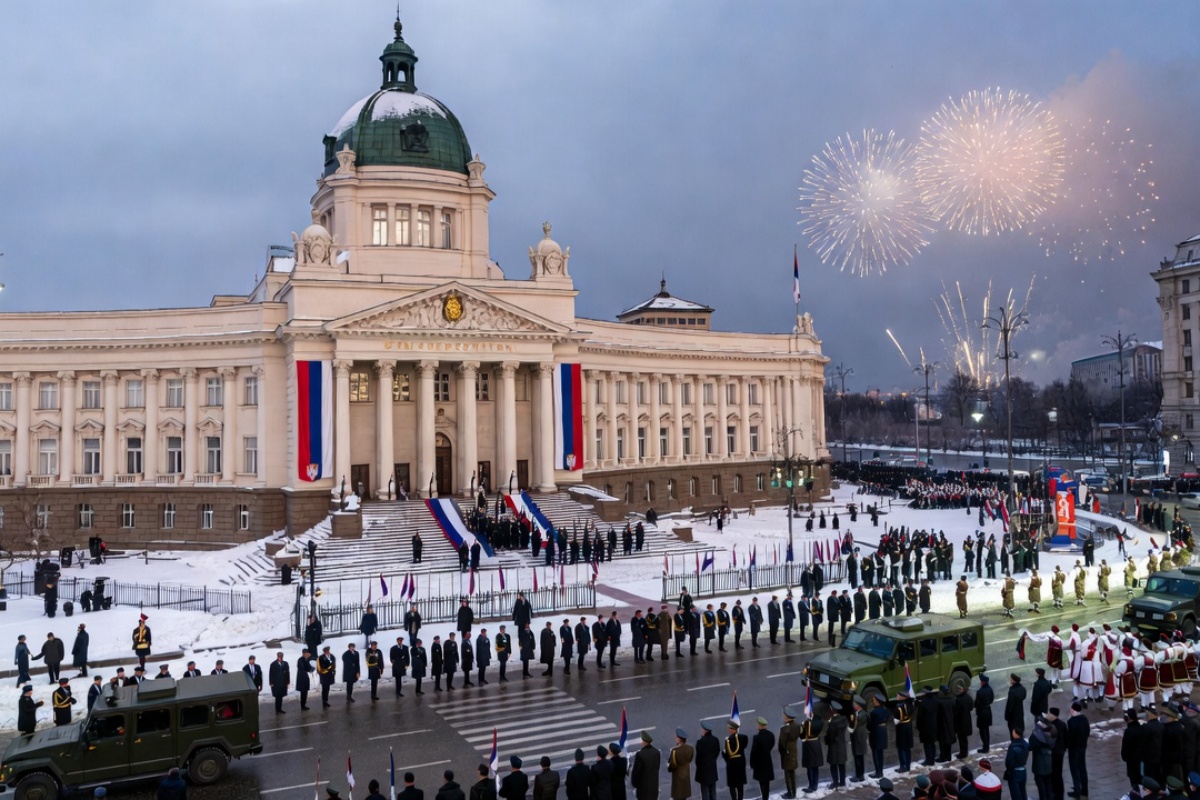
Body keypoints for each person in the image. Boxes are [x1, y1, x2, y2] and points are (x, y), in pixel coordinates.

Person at [1066, 702, 1089, 800]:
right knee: (1082, 768)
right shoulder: (1085, 720)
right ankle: (1085, 789)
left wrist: (1067, 745)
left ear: (1072, 710)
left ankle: (1077, 790)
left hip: (1074, 749)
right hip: (1082, 747)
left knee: (1074, 770)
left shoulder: (1071, 722)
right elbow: (1088, 732)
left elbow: (1070, 737)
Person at [1029, 718, 1057, 800]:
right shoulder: (1052, 733)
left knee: (1041, 785)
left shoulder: (1037, 736)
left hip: (1039, 764)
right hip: (1048, 762)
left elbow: (1030, 745)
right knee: (1048, 783)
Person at [800, 703, 825, 793]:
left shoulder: (808, 723)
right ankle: (815, 784)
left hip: (809, 745)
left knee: (810, 767)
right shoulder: (819, 720)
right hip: (816, 743)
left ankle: (812, 786)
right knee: (815, 767)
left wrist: (803, 726)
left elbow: (802, 736)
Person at [751, 716, 776, 800]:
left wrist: (752, 763)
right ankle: (766, 797)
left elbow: (754, 752)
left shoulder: (757, 737)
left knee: (762, 782)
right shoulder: (771, 735)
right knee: (767, 782)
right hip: (767, 761)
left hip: (759, 762)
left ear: (759, 725)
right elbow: (772, 744)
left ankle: (764, 797)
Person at [722, 719, 748, 800]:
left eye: (730, 728)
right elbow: (744, 745)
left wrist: (728, 760)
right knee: (740, 786)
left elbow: (726, 754)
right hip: (740, 763)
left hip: (731, 764)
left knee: (732, 786)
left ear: (732, 729)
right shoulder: (743, 738)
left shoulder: (728, 740)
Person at [631, 731, 661, 800]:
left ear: (644, 741)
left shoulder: (640, 754)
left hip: (642, 789)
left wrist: (635, 784)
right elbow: (657, 768)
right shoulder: (657, 753)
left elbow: (636, 772)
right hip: (654, 788)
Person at [693, 721, 719, 800]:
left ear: (705, 731)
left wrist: (699, 765)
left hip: (703, 771)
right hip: (712, 769)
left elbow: (698, 758)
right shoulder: (715, 740)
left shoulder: (700, 742)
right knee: (712, 791)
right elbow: (717, 752)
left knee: (705, 792)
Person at [779, 705, 801, 797]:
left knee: (787, 775)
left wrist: (782, 753)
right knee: (792, 774)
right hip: (793, 751)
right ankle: (794, 792)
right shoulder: (797, 726)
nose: (783, 717)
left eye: (785, 716)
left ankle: (790, 793)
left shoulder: (784, 729)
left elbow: (781, 744)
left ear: (788, 718)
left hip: (786, 754)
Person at [1120, 709, 1143, 796]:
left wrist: (1125, 757)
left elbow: (1125, 748)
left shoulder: (1128, 731)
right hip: (1142, 761)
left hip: (1132, 762)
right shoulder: (1141, 728)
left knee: (1134, 784)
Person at [867, 695, 889, 780]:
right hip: (883, 731)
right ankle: (880, 771)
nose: (874, 702)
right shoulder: (885, 710)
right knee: (880, 753)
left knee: (875, 752)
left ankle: (878, 772)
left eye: (875, 701)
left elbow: (870, 724)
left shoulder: (874, 712)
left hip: (875, 732)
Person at [668, 728, 694, 800]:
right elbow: (690, 759)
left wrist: (669, 767)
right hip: (686, 777)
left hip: (678, 779)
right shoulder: (690, 749)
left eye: (677, 737)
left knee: (678, 796)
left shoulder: (674, 751)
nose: (675, 738)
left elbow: (673, 765)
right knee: (684, 797)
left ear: (679, 739)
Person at [1005, 728, 1030, 800]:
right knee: (1022, 792)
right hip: (1023, 771)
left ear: (1016, 734)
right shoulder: (1025, 744)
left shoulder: (1013, 746)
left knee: (1016, 794)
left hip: (1014, 772)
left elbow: (1009, 761)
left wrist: (1009, 770)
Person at [849, 696, 869, 783]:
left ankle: (860, 775)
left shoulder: (863, 714)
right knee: (857, 757)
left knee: (859, 757)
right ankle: (858, 774)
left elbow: (856, 722)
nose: (853, 704)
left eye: (855, 703)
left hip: (859, 738)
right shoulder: (856, 713)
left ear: (859, 706)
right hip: (856, 738)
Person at [953, 683, 974, 760]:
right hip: (967, 720)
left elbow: (956, 712)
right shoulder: (968, 697)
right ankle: (965, 752)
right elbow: (971, 707)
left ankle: (962, 753)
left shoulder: (959, 699)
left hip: (960, 722)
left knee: (961, 739)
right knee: (964, 739)